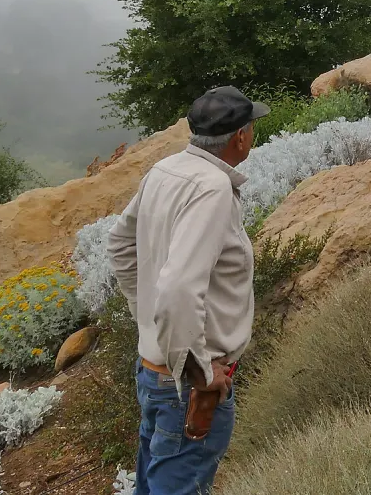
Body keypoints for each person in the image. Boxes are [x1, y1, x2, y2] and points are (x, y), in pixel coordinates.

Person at [108, 85, 267, 495]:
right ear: (240, 137)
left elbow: (120, 244)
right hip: (186, 388)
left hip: (153, 373)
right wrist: (199, 371)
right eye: (252, 128)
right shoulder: (212, 187)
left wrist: (146, 317)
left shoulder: (165, 169)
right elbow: (179, 286)